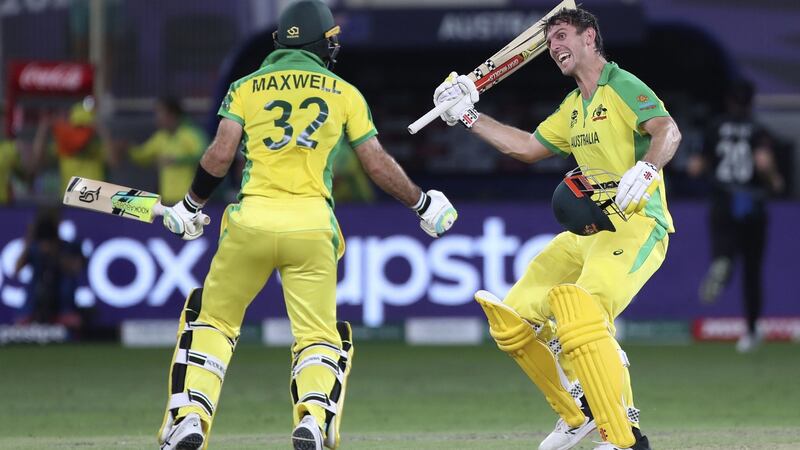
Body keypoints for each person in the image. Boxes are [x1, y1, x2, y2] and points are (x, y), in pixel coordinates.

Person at [154, 1, 458, 450]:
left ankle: (191, 419)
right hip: (313, 226)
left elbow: (220, 155)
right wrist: (422, 203)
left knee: (213, 321)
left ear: (280, 42)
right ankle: (314, 421)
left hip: (251, 221)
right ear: (323, 44)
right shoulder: (344, 92)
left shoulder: (245, 87)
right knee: (318, 335)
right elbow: (375, 164)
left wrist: (189, 204)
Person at [432, 7, 680, 450]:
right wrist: (467, 115)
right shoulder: (573, 107)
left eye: (562, 36)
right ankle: (577, 410)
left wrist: (646, 168)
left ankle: (625, 434)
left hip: (638, 226)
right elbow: (527, 147)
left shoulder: (620, 85)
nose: (554, 48)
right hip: (589, 233)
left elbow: (668, 130)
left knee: (583, 314)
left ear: (590, 38)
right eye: (549, 42)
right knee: (515, 319)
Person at [688, 79, 784, 353]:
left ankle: (723, 262)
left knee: (723, 248)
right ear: (751, 102)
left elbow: (696, 167)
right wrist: (775, 180)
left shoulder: (715, 127)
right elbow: (764, 163)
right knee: (752, 272)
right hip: (752, 204)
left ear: (729, 101)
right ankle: (751, 331)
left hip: (722, 201)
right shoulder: (758, 131)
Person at [14, 207, 85, 330]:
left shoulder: (69, 246)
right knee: (34, 282)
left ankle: (66, 313)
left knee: (67, 281)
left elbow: (76, 269)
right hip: (38, 292)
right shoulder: (34, 249)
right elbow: (16, 270)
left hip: (59, 295)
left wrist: (55, 252)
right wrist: (29, 240)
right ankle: (28, 314)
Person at [128, 97, 208, 204]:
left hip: (190, 199)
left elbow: (205, 158)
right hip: (166, 199)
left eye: (160, 113)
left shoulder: (190, 134)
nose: (157, 118)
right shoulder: (160, 137)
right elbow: (142, 156)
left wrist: (178, 160)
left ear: (172, 115)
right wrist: (127, 149)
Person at [32, 97, 114, 195]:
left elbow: (113, 161)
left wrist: (104, 133)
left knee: (134, 204)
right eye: (77, 129)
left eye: (84, 129)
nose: (79, 135)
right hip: (71, 201)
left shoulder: (96, 147)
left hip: (95, 199)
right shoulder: (62, 146)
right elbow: (37, 160)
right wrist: (43, 130)